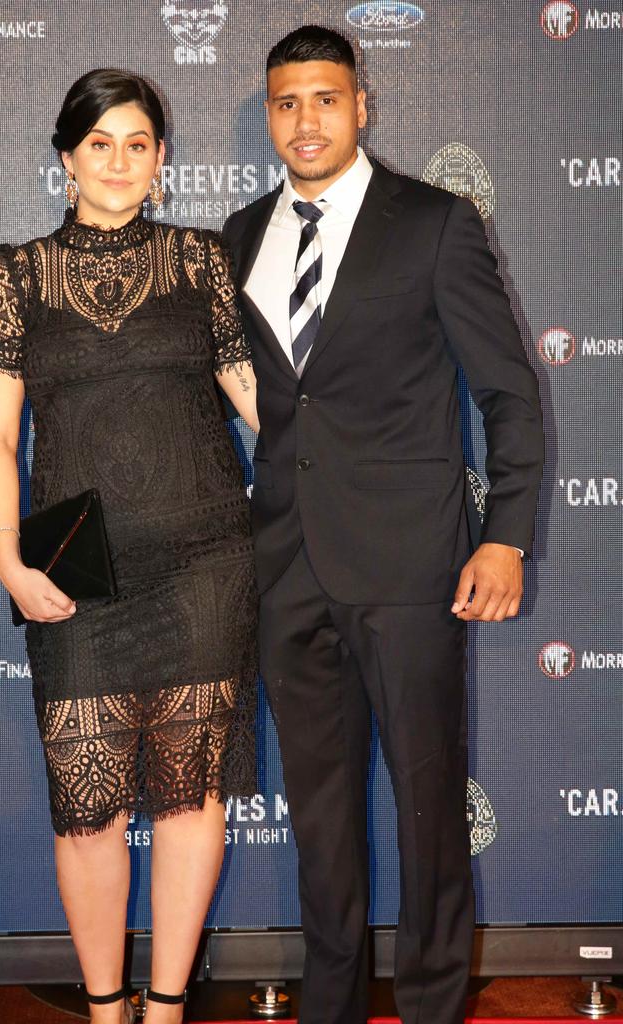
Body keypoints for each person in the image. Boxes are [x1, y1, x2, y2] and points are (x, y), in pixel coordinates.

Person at [222, 25, 544, 1024]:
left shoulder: (435, 222)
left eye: (324, 98)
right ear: (269, 116)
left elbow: (509, 393)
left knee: (427, 813)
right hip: (286, 563)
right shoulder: (235, 238)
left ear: (362, 105)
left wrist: (507, 533)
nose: (304, 120)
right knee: (321, 826)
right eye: (285, 102)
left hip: (411, 564)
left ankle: (436, 1009)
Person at [0, 69, 259, 1024]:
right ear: (66, 159)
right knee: (87, 811)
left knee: (187, 798)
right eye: (99, 143)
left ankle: (165, 1005)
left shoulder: (204, 264)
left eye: (138, 143)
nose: (119, 161)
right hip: (77, 567)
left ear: (162, 160)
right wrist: (9, 557)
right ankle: (104, 1007)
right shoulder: (12, 277)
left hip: (208, 556)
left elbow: (260, 406)